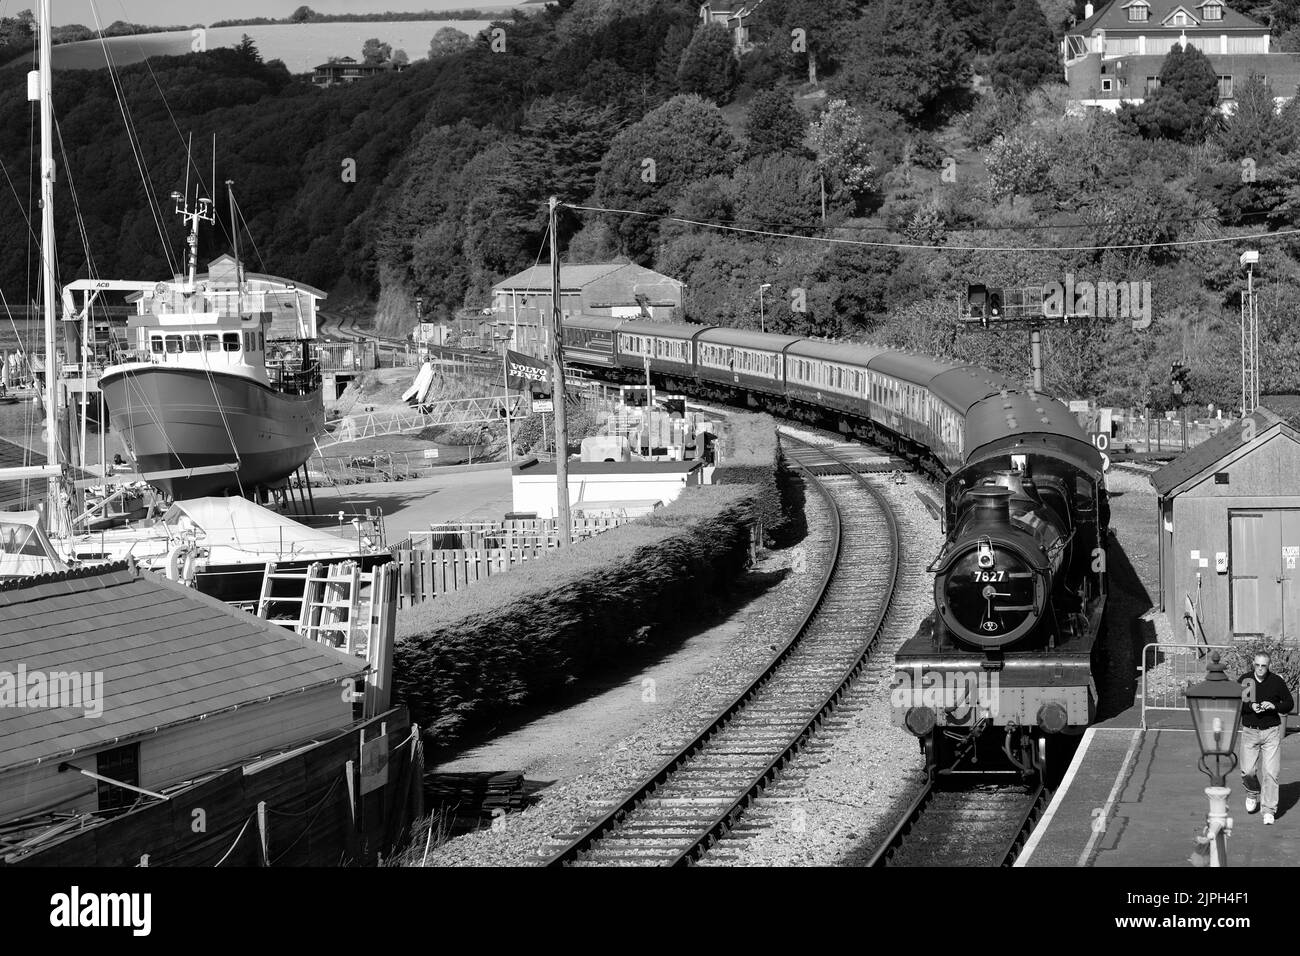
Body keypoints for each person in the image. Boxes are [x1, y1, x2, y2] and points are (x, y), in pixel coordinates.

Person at [1238, 652, 1294, 825]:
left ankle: (1269, 809)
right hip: (1250, 731)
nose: (1260, 669)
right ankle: (1253, 792)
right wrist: (1251, 705)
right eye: (1257, 665)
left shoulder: (1276, 681)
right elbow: (1238, 702)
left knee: (1271, 772)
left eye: (1264, 665)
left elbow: (1289, 703)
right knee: (1248, 771)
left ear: (1269, 665)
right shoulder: (1246, 680)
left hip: (1271, 732)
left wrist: (1274, 706)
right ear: (1253, 664)